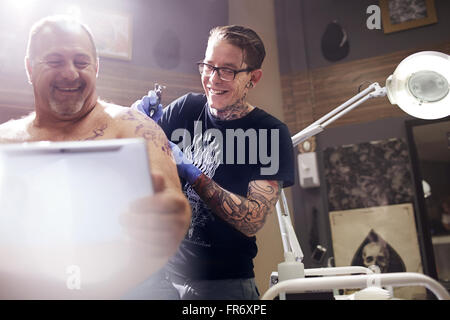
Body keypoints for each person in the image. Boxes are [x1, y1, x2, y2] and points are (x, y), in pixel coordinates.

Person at [0, 15, 191, 299]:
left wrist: (167, 215)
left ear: (96, 67)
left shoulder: (134, 127)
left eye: (81, 62)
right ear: (29, 68)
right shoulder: (6, 143)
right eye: (54, 61)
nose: (70, 73)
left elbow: (171, 198)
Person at [127, 25, 295, 300]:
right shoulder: (185, 109)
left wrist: (194, 174)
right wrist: (137, 125)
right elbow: (140, 172)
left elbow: (251, 219)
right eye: (208, 66)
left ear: (254, 77)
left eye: (227, 70)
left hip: (225, 287)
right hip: (166, 279)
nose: (213, 79)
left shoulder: (270, 133)